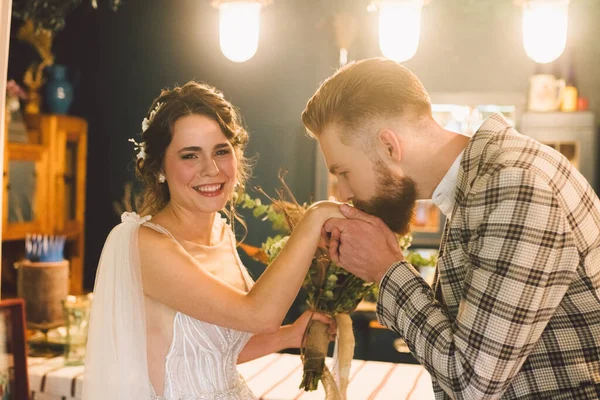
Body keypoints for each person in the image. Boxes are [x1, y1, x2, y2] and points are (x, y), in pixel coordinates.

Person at [302, 58, 600, 399]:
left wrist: (386, 269)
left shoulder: (514, 185)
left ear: (389, 146)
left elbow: (471, 383)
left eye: (344, 172)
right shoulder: (484, 183)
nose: (344, 193)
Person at [83, 81, 341, 400]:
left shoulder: (221, 231)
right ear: (159, 168)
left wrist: (290, 335)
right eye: (190, 156)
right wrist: (313, 220)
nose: (211, 169)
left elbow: (215, 350)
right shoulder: (144, 245)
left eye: (221, 151)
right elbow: (258, 315)